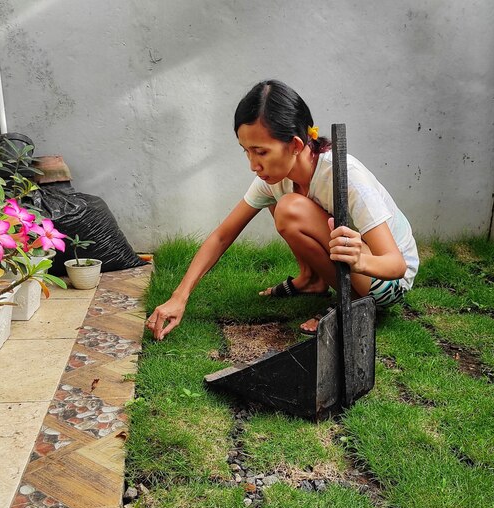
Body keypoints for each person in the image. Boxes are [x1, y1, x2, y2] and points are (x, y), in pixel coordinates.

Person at [147, 80, 419, 340]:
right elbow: (222, 236)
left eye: (261, 152)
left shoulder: (344, 176)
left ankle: (352, 303)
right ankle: (311, 280)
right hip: (354, 264)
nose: (253, 164)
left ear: (296, 145)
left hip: (386, 282)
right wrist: (179, 297)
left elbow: (396, 265)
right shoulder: (274, 179)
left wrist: (360, 261)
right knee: (280, 202)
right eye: (246, 151)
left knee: (289, 208)